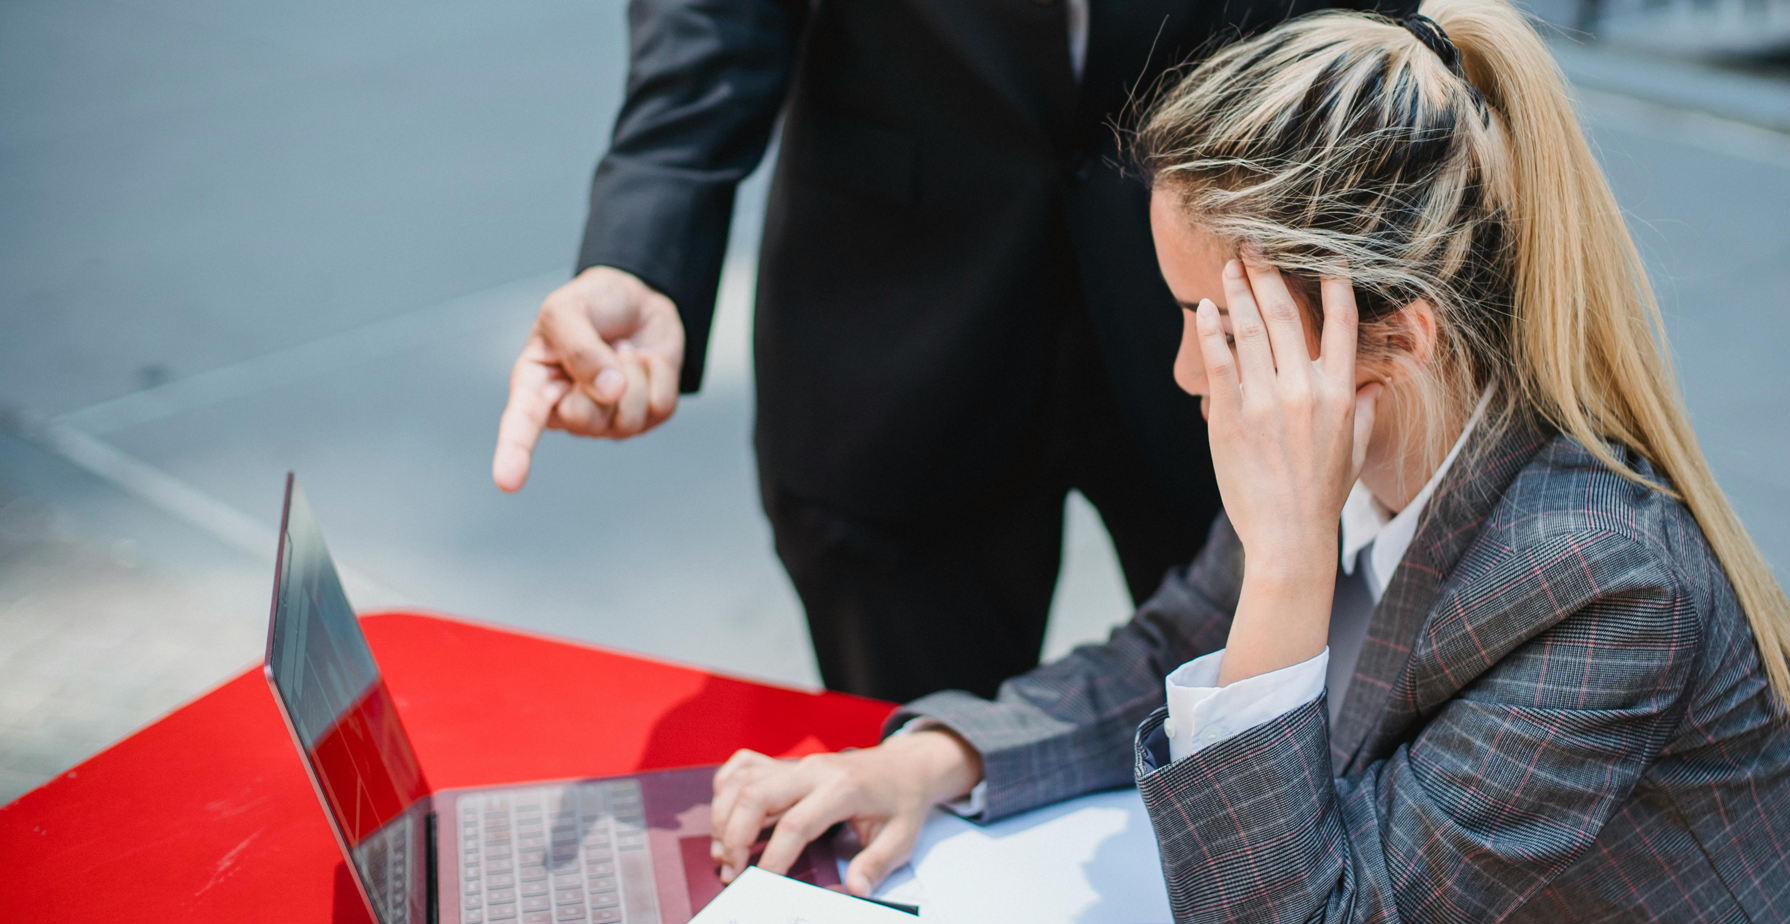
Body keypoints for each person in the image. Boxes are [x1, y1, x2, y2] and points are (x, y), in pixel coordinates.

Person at [700, 2, 1790, 924]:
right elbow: (1167, 653)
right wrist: (931, 755)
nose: (1183, 368)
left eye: (1218, 324)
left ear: (1399, 335)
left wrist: (1284, 565)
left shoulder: (1601, 584)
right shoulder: (1368, 445)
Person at [489, 0, 1386, 704]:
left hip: (1226, 317)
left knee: (1273, 730)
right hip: (902, 320)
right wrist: (642, 247)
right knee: (907, 800)